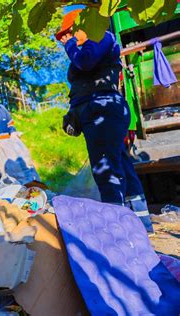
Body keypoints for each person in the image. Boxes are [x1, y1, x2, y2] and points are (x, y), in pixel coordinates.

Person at [56, 9, 154, 233]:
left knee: (106, 168)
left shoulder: (101, 37)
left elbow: (86, 62)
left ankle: (117, 227)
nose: (65, 39)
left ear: (82, 25)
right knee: (120, 163)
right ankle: (139, 224)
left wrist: (70, 45)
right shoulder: (92, 45)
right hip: (98, 110)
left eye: (67, 33)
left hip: (102, 110)